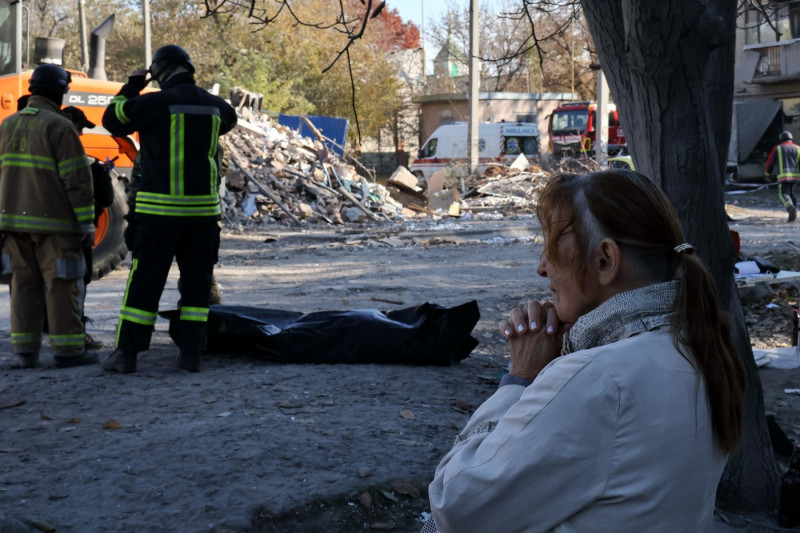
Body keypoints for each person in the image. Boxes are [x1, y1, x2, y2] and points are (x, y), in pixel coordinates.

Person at [421, 169, 746, 532]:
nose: (542, 268)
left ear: (605, 260)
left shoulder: (599, 375)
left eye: (552, 245)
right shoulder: (695, 345)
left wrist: (521, 377)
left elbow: (456, 508)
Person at [100, 44, 237, 374]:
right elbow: (229, 120)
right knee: (196, 285)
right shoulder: (218, 108)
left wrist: (133, 86)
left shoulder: (153, 103)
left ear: (159, 73)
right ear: (188, 69)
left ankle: (127, 356)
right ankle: (190, 355)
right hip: (203, 217)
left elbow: (111, 119)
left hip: (159, 215)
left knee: (145, 283)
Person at [0, 64, 98, 368]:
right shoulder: (60, 126)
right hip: (55, 226)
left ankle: (26, 353)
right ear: (60, 92)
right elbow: (77, 181)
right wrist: (86, 223)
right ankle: (68, 352)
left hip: (12, 223)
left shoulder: (7, 124)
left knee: (23, 285)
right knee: (61, 284)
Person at [766, 130, 800, 222]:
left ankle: (790, 209)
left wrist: (768, 174)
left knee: (783, 194)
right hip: (796, 177)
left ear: (781, 138)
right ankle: (793, 213)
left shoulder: (778, 148)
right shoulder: (798, 148)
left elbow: (770, 162)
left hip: (783, 177)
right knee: (793, 194)